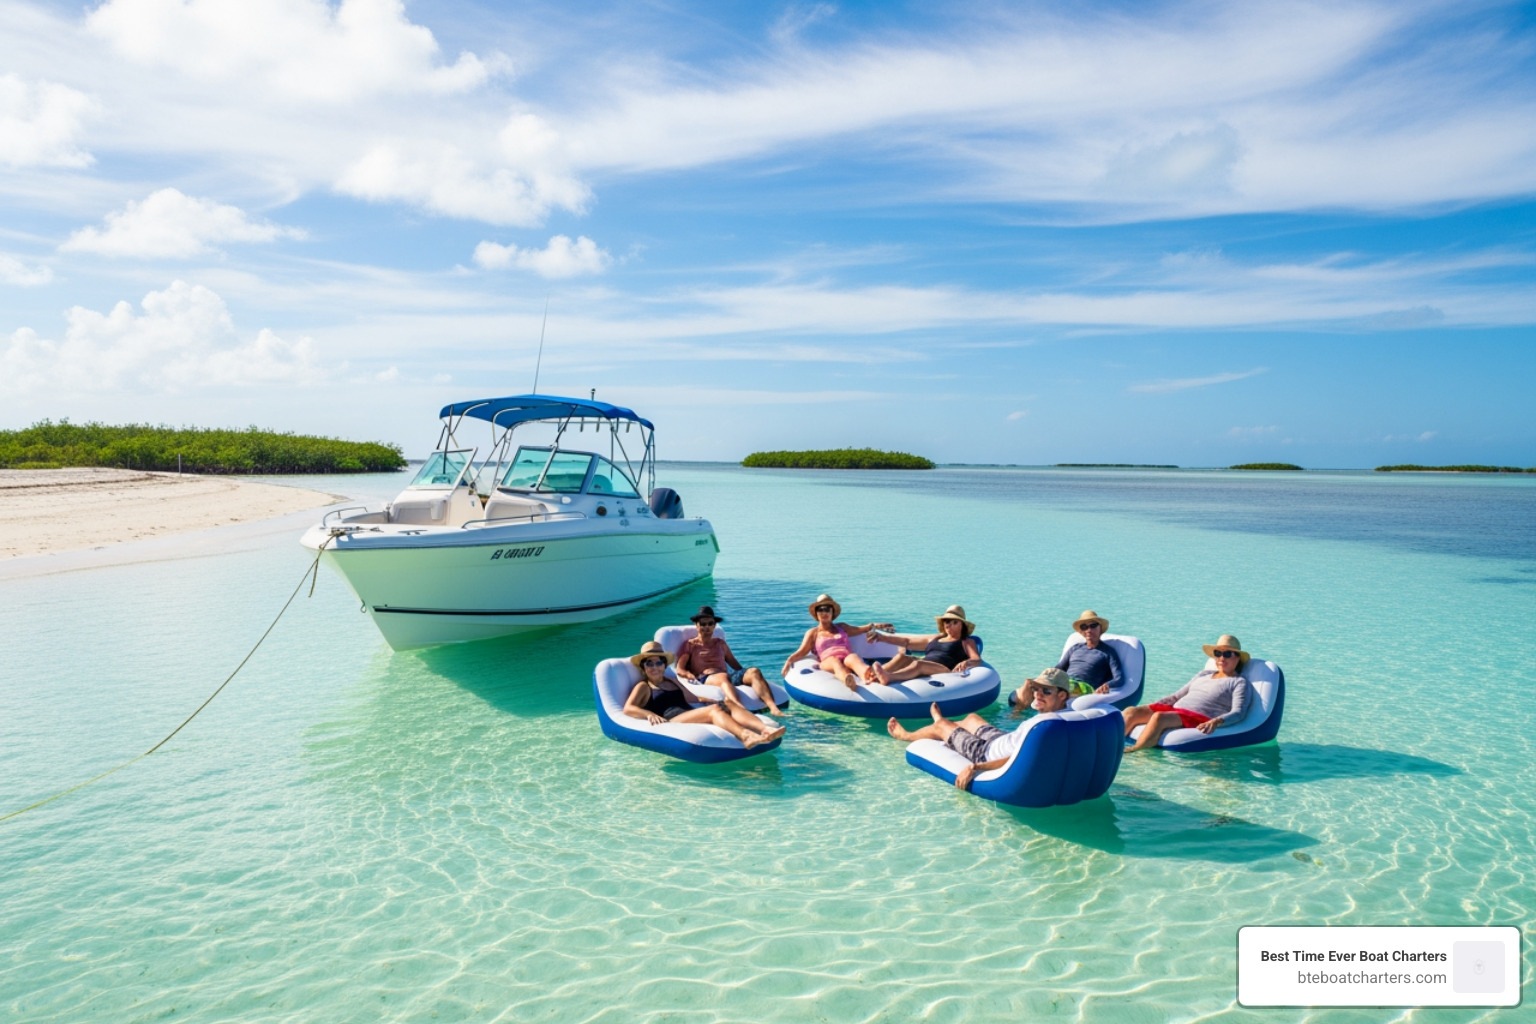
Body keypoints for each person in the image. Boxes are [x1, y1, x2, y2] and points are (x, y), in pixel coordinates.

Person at [886, 669, 1073, 790]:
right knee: (972, 718)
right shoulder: (1065, 714)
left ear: (1062, 695)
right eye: (1036, 689)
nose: (1038, 695)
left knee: (943, 725)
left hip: (985, 753)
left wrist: (975, 767)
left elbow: (1017, 759)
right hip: (1002, 739)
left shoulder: (1044, 727)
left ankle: (909, 734)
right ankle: (947, 728)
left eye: (1046, 691)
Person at [621, 641, 785, 748]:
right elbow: (628, 708)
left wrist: (716, 701)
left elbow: (693, 698)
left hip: (688, 713)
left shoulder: (672, 681)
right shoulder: (644, 686)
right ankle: (746, 736)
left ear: (664, 665)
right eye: (649, 663)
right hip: (671, 719)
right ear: (643, 667)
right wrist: (648, 714)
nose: (654, 667)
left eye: (658, 662)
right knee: (714, 711)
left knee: (728, 703)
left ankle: (765, 729)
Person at [1123, 634, 1253, 751]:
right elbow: (1176, 696)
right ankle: (1116, 744)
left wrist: (1216, 721)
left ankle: (1136, 751)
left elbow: (1238, 712)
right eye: (1218, 653)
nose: (1222, 658)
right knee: (1131, 711)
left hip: (1199, 717)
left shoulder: (1238, 682)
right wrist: (1153, 705)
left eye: (1228, 654)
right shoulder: (1204, 674)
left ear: (1238, 658)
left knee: (1159, 717)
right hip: (1177, 711)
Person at [674, 605, 783, 711]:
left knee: (754, 671)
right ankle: (740, 708)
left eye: (710, 623)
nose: (706, 627)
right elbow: (680, 669)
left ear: (714, 625)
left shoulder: (720, 643)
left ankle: (773, 708)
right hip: (706, 677)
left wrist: (745, 675)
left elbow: (734, 663)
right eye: (703, 624)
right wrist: (689, 675)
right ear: (696, 625)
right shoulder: (690, 645)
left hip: (727, 676)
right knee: (723, 677)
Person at [1008, 609, 1123, 709]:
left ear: (1100, 628)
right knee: (1029, 683)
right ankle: (1018, 713)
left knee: (1053, 690)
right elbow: (1058, 668)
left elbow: (1119, 678)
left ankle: (1026, 712)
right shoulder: (1075, 648)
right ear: (1082, 632)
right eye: (1084, 627)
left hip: (1083, 686)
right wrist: (1043, 679)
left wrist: (1105, 686)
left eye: (1093, 625)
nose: (1089, 630)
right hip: (1066, 681)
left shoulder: (1108, 652)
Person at [779, 595, 890, 690]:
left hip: (847, 659)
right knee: (834, 661)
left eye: (827, 609)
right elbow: (802, 651)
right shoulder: (813, 633)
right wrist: (789, 661)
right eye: (820, 609)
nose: (824, 612)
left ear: (832, 613)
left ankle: (869, 676)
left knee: (853, 657)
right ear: (816, 613)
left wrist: (876, 625)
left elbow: (861, 629)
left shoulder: (842, 627)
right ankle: (848, 680)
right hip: (828, 662)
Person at [864, 605, 982, 684]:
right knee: (903, 657)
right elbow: (907, 642)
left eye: (954, 622)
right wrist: (881, 637)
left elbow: (977, 659)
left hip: (944, 669)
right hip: (926, 664)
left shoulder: (966, 641)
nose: (948, 625)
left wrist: (966, 662)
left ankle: (889, 677)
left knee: (919, 664)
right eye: (946, 621)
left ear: (962, 625)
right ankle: (874, 675)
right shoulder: (937, 638)